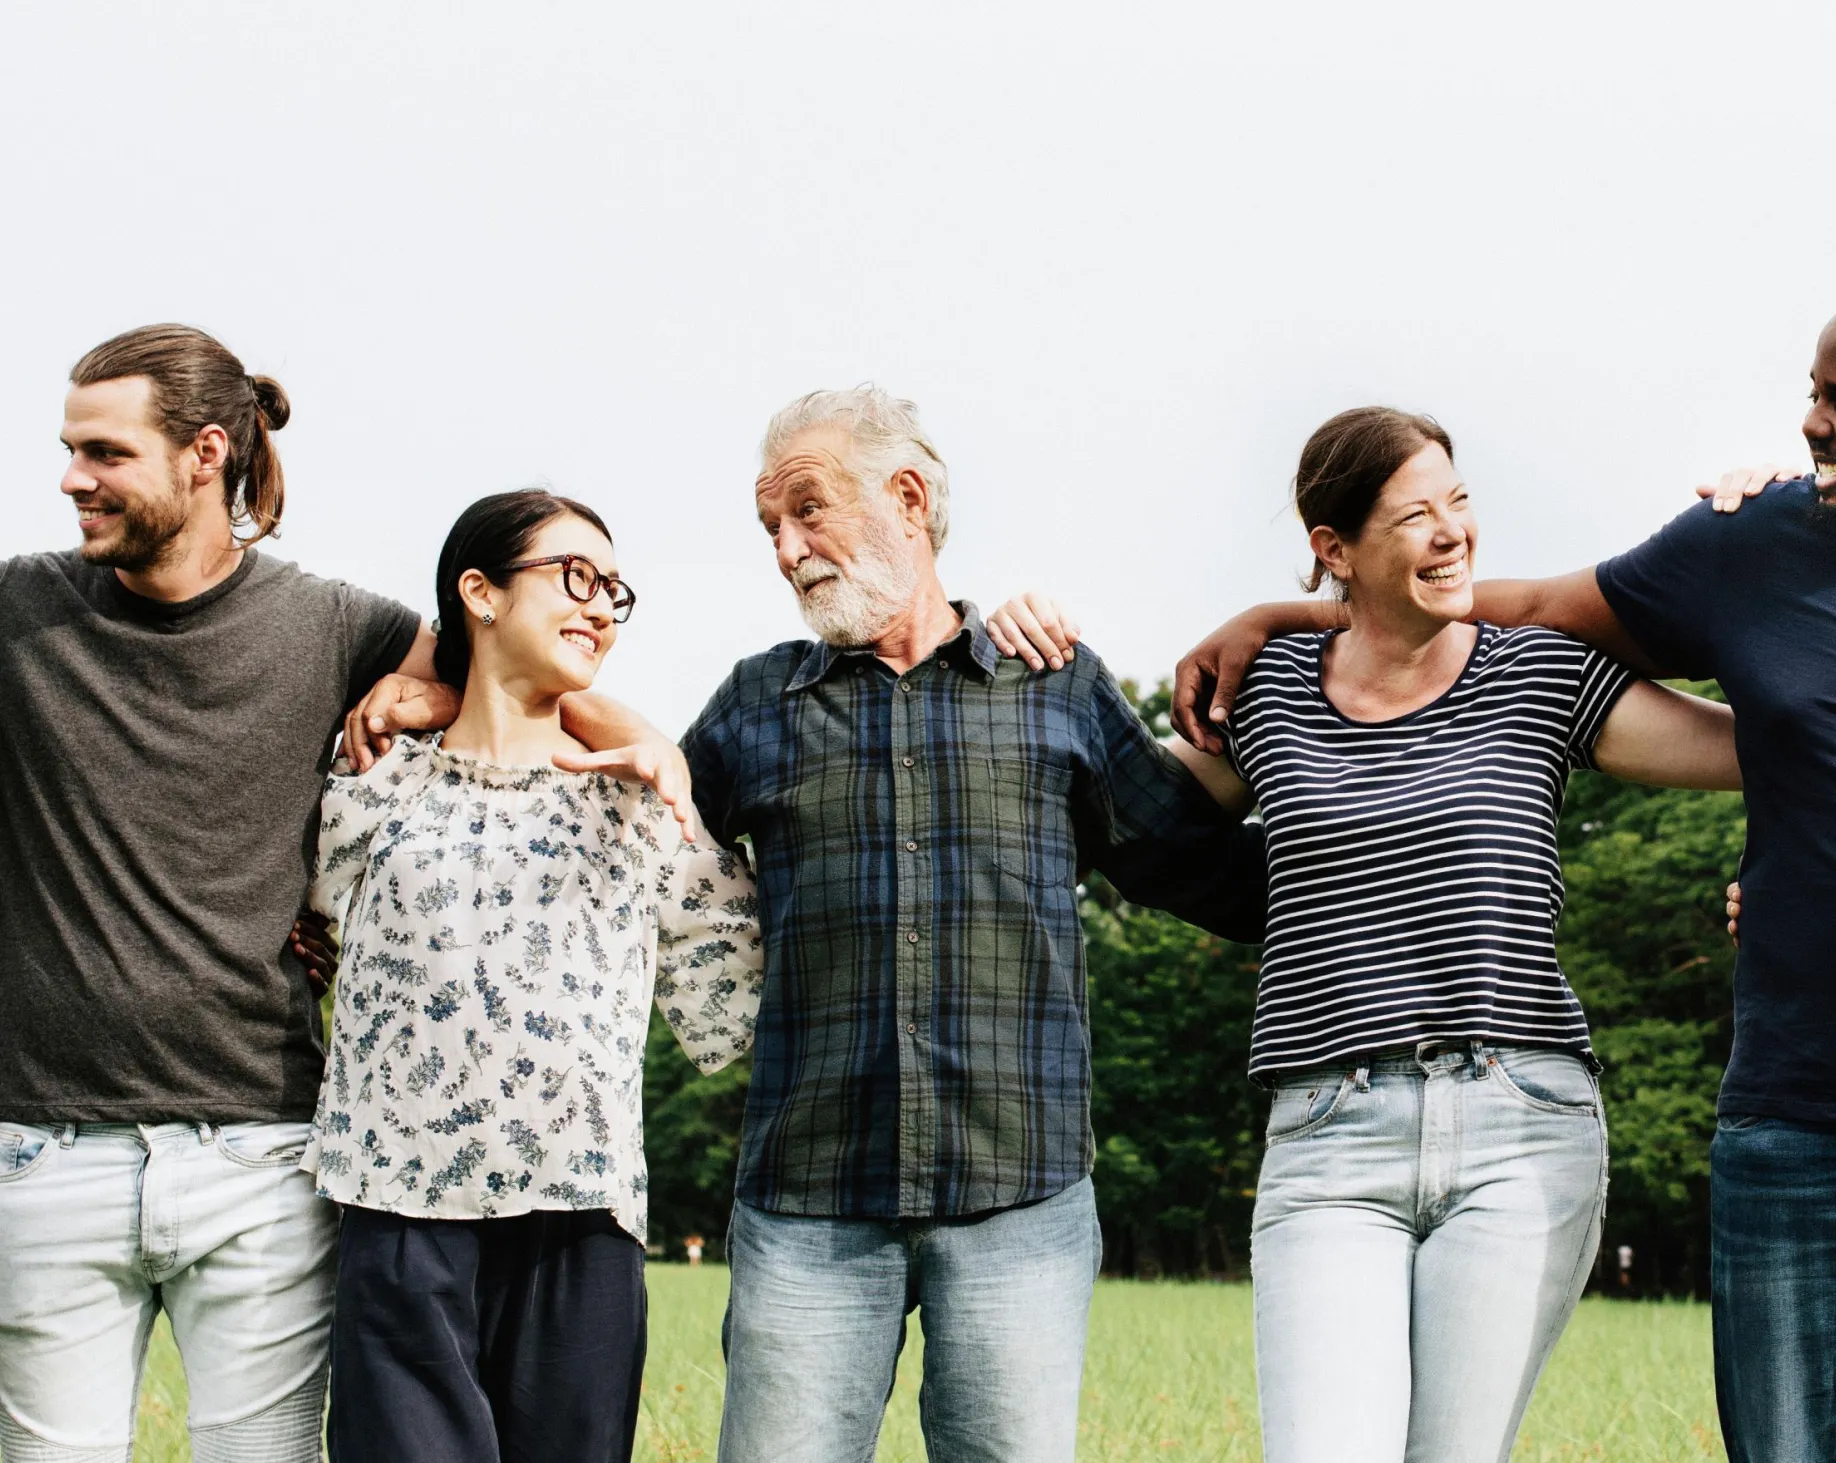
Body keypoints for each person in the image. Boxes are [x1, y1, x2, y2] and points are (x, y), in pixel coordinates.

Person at [1170, 283, 1836, 1461]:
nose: (1809, 424)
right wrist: (1298, 609)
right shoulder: (1749, 544)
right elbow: (1538, 606)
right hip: (1801, 1127)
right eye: (1811, 393)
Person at [987, 406, 1744, 1463]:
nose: (1452, 533)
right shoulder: (1269, 693)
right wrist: (1045, 657)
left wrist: (1781, 545)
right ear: (1333, 551)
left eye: (1458, 502)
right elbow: (1128, 804)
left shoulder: (1540, 671)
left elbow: (1759, 750)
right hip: (1329, 1135)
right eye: (1413, 516)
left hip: (1520, 1122)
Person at [0, 325, 697, 1463]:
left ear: (204, 453)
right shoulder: (21, 612)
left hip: (262, 1150)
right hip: (44, 1148)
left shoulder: (336, 626)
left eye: (104, 452)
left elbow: (518, 666)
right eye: (70, 450)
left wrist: (646, 739)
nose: (72, 477)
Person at [680, 385, 1268, 1462]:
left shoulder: (1055, 686)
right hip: (807, 1196)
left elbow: (1209, 872)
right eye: (769, 525)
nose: (784, 547)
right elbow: (619, 863)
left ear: (906, 497)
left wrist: (1374, 785)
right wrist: (436, 686)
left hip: (1020, 1197)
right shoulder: (753, 704)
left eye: (805, 510)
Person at [304, 489, 765, 1462]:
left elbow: (756, 999)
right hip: (399, 1217)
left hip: (580, 1220)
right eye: (574, 576)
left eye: (614, 590)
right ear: (478, 591)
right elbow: (297, 942)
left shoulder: (645, 809)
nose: (601, 605)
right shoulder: (370, 787)